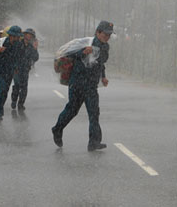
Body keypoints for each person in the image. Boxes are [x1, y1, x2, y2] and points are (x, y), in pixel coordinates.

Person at [52, 21, 113, 151]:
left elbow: (102, 61)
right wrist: (83, 52)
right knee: (72, 110)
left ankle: (94, 142)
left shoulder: (105, 47)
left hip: (91, 85)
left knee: (94, 112)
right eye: (105, 34)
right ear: (97, 32)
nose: (107, 37)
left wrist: (103, 76)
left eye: (109, 35)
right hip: (77, 83)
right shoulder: (84, 43)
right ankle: (57, 129)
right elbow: (69, 54)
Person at [0, 25, 23, 120]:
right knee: (1, 88)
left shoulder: (18, 45)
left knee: (5, 91)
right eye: (15, 36)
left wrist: (17, 66)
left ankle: (0, 107)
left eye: (18, 37)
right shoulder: (1, 41)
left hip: (10, 71)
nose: (16, 38)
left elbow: (18, 57)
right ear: (10, 35)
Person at [11, 28, 39, 110]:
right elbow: (13, 56)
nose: (28, 37)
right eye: (27, 34)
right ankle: (14, 100)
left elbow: (35, 58)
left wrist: (35, 48)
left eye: (30, 35)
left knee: (24, 87)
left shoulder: (31, 47)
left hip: (25, 69)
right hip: (16, 69)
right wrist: (15, 66)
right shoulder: (18, 44)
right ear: (24, 35)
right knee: (17, 85)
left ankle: (21, 104)